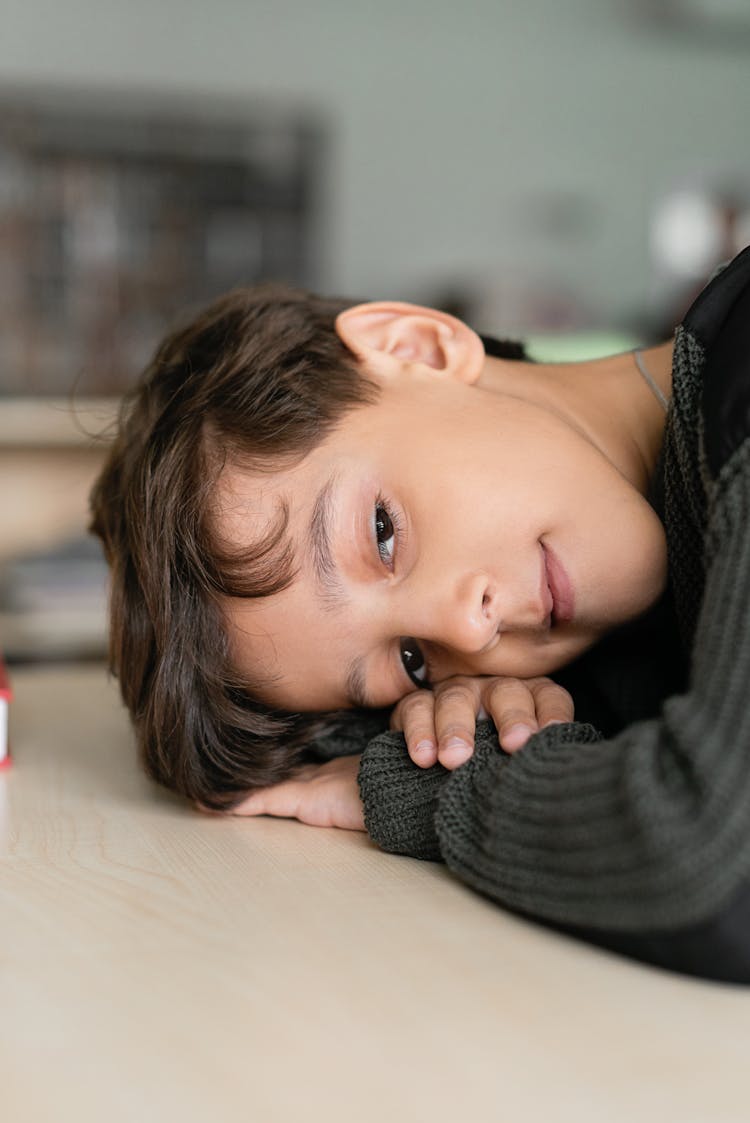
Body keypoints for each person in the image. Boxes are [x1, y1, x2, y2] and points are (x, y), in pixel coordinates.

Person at [90, 247, 750, 983]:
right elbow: (307, 746)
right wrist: (457, 724)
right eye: (411, 658)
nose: (468, 633)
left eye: (382, 532)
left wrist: (435, 783)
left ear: (414, 347)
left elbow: (722, 867)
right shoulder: (610, 610)